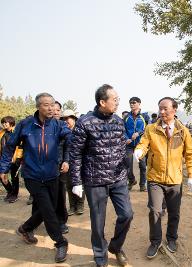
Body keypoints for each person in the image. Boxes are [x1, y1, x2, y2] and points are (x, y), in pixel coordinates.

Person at [0, 93, 71, 263]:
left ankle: (26, 228)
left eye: (52, 105)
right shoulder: (26, 125)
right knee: (48, 210)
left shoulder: (58, 125)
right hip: (32, 175)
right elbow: (10, 147)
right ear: (38, 106)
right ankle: (60, 243)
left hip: (52, 174)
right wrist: (3, 169)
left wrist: (67, 158)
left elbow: (71, 139)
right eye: (46, 105)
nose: (50, 108)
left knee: (50, 206)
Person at [69, 84, 133, 267]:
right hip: (95, 181)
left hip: (118, 178)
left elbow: (122, 147)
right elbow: (75, 153)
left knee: (127, 215)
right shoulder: (85, 122)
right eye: (115, 100)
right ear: (102, 101)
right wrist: (76, 181)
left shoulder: (119, 121)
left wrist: (127, 170)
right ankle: (100, 255)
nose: (118, 103)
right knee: (98, 222)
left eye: (118, 99)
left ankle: (116, 246)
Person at [134, 97, 192, 259]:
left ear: (174, 110)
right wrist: (139, 151)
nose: (162, 112)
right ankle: (155, 242)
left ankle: (172, 239)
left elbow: (189, 154)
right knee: (155, 211)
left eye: (165, 109)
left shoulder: (182, 131)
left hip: (175, 180)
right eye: (160, 108)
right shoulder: (151, 129)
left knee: (174, 213)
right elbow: (143, 143)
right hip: (155, 178)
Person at [61, 109, 85, 216]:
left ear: (74, 119)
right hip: (66, 162)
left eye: (68, 118)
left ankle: (80, 205)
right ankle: (72, 206)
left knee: (79, 183)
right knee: (69, 185)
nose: (66, 121)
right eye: (64, 119)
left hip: (79, 161)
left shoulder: (80, 130)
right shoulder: (63, 132)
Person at [124, 97, 149, 192]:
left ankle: (142, 185)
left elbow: (147, 129)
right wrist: (126, 138)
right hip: (129, 145)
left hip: (140, 145)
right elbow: (123, 130)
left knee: (142, 165)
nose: (131, 104)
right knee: (127, 164)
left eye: (134, 102)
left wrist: (138, 133)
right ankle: (131, 180)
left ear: (139, 103)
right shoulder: (126, 117)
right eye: (130, 103)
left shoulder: (144, 117)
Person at [52, 101, 70, 234]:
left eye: (59, 110)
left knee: (60, 194)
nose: (56, 112)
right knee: (42, 196)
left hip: (60, 165)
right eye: (54, 110)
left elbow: (68, 145)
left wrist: (66, 160)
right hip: (44, 167)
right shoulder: (40, 127)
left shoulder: (63, 126)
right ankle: (36, 221)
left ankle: (61, 221)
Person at [0, 116, 23, 203]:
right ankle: (10, 191)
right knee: (2, 176)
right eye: (3, 123)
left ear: (11, 123)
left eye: (6, 122)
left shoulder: (16, 132)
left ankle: (14, 195)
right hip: (3, 159)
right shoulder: (2, 132)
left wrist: (18, 158)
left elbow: (20, 146)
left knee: (14, 177)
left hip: (14, 159)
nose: (4, 124)